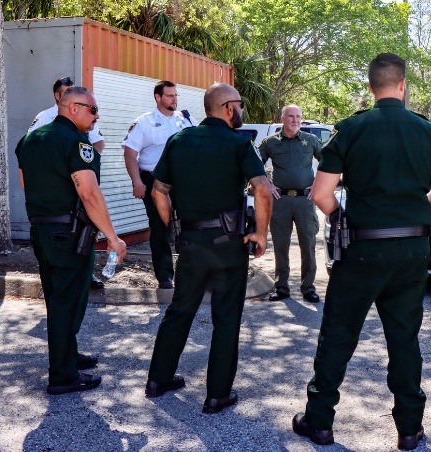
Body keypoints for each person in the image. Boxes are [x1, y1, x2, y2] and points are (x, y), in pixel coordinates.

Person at [292, 53, 431, 451]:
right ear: (403, 85)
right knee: (404, 338)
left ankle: (320, 422)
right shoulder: (430, 132)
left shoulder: (350, 129)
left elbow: (321, 194)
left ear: (371, 88)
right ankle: (409, 428)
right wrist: (413, 220)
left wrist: (346, 221)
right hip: (412, 250)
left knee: (338, 335)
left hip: (361, 249)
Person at [145, 83, 272, 414]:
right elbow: (262, 190)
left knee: (180, 310)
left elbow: (158, 191)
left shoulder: (178, 140)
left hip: (190, 242)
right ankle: (217, 394)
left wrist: (173, 225)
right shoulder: (238, 143)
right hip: (228, 244)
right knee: (226, 317)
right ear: (229, 108)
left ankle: (158, 379)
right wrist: (260, 233)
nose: (242, 111)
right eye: (240, 105)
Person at [16, 86, 127, 395]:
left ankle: (68, 356)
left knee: (58, 298)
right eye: (92, 110)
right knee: (69, 301)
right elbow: (89, 193)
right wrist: (113, 237)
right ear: (73, 108)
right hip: (70, 233)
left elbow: (26, 183)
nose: (96, 116)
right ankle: (63, 375)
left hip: (41, 230)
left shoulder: (30, 140)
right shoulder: (76, 142)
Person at [122, 80, 193, 289]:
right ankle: (165, 276)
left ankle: (189, 272)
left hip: (182, 181)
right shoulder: (144, 122)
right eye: (170, 95)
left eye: (176, 95)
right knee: (160, 227)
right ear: (158, 97)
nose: (174, 99)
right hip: (154, 181)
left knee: (188, 225)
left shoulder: (185, 120)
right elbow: (129, 153)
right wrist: (136, 181)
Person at [257, 104, 323, 303]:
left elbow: (329, 163)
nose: (295, 120)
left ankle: (308, 287)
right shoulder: (270, 142)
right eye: (291, 117)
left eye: (298, 117)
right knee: (281, 245)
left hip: (305, 200)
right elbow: (254, 164)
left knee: (308, 244)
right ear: (283, 118)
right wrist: (267, 185)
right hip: (281, 201)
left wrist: (317, 185)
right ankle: (282, 287)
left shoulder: (310, 141)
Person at [28, 76, 105, 153]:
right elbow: (30, 143)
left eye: (73, 93)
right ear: (57, 96)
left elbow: (98, 142)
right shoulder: (44, 117)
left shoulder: (83, 114)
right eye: (67, 93)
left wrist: (89, 160)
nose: (71, 96)